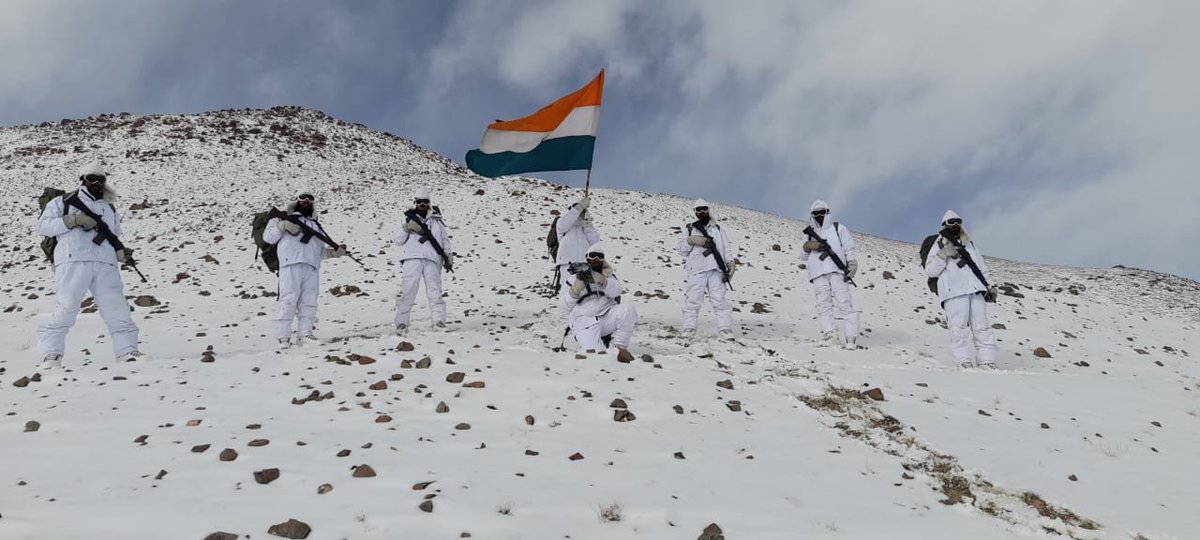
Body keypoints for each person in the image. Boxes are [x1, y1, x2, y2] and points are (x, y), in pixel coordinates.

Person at [35, 161, 142, 367]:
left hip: (105, 263)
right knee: (66, 307)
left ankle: (127, 351)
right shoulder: (62, 202)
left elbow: (113, 235)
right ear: (83, 179)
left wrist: (120, 253)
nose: (96, 183)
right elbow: (44, 226)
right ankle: (50, 354)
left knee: (117, 308)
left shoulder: (109, 207)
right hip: (73, 260)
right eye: (91, 178)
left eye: (100, 179)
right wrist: (72, 221)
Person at [264, 188, 346, 348]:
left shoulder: (315, 225)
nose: (306, 201)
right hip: (290, 264)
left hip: (311, 267)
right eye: (303, 198)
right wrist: (282, 226)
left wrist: (334, 253)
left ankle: (305, 334)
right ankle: (283, 336)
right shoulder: (282, 218)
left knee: (309, 302)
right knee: (288, 300)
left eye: (310, 199)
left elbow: (319, 251)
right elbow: (269, 238)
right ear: (297, 200)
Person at [924, 210, 999, 369]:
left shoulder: (969, 243)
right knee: (958, 327)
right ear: (944, 224)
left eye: (958, 221)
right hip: (954, 291)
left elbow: (980, 266)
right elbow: (930, 270)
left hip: (975, 289)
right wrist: (943, 254)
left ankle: (987, 360)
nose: (956, 224)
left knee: (982, 326)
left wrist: (989, 285)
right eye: (951, 221)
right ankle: (963, 360)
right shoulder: (939, 243)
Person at [801, 199, 861, 350]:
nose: (819, 216)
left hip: (836, 270)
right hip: (818, 272)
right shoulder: (809, 233)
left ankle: (851, 337)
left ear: (827, 213)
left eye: (822, 212)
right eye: (816, 213)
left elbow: (849, 248)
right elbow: (802, 255)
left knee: (844, 303)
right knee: (824, 305)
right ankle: (830, 335)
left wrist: (852, 263)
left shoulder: (838, 228)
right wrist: (809, 246)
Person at [394, 187, 452, 335]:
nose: (422, 204)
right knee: (408, 291)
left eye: (425, 201)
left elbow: (444, 240)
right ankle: (401, 323)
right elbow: (398, 241)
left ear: (429, 203)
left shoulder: (436, 220)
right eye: (419, 201)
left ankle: (439, 321)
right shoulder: (407, 218)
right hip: (412, 257)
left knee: (435, 292)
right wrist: (406, 228)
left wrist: (448, 256)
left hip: (432, 259)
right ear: (415, 202)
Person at [565, 243, 637, 362]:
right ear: (586, 258)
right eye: (592, 256)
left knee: (627, 310)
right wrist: (574, 291)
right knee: (595, 355)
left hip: (606, 315)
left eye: (599, 257)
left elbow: (617, 290)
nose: (596, 260)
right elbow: (563, 306)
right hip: (584, 320)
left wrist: (603, 281)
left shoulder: (609, 276)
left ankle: (619, 349)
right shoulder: (573, 279)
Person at [678, 198, 734, 339]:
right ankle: (689, 328)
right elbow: (682, 250)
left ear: (708, 210)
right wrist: (691, 241)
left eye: (704, 209)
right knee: (693, 300)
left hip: (716, 269)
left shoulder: (718, 229)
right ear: (695, 212)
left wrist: (730, 264)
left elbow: (725, 249)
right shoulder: (689, 229)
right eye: (699, 209)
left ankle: (725, 328)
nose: (702, 212)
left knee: (719, 299)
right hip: (696, 269)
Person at [553, 195, 601, 323]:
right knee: (567, 290)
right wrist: (579, 207)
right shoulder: (562, 224)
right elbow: (564, 223)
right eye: (576, 210)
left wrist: (587, 224)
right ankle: (565, 317)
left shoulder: (584, 227)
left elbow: (595, 241)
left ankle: (582, 316)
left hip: (584, 264)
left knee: (583, 289)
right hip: (566, 263)